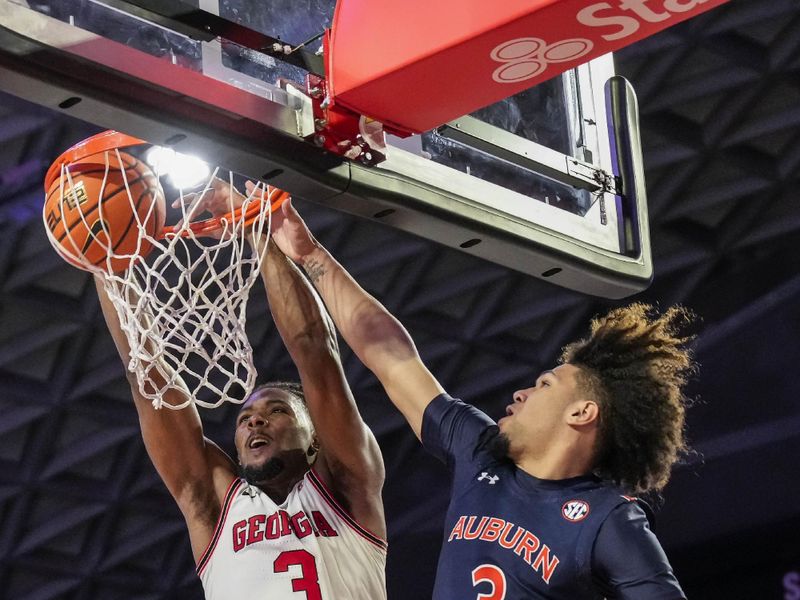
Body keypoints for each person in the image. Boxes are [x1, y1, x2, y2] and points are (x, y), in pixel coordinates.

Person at [268, 197, 694, 600]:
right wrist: (310, 255)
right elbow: (391, 357)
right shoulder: (482, 453)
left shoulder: (608, 520)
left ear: (582, 413)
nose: (522, 392)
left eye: (545, 385)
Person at [94, 191, 388, 599]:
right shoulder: (216, 505)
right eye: (244, 418)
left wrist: (254, 228)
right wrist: (109, 265)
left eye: (278, 410)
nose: (254, 420)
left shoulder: (347, 485)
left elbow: (315, 350)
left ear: (315, 438)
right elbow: (150, 383)